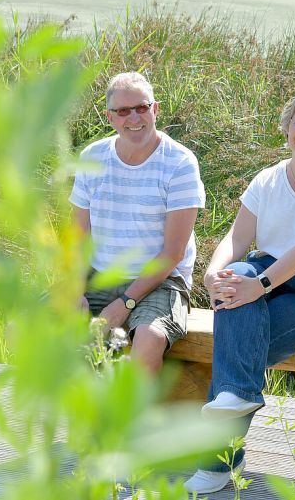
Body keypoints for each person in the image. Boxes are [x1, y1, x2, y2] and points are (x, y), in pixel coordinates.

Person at [182, 89, 295, 494]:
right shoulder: (268, 179)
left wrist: (258, 286)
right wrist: (215, 274)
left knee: (239, 348)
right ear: (287, 127)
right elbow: (237, 235)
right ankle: (236, 400)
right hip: (264, 276)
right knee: (234, 283)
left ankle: (217, 461)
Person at [70, 71, 206, 373]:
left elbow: (172, 254)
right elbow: (78, 237)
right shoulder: (92, 157)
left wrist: (124, 305)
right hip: (100, 273)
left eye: (141, 108)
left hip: (161, 281)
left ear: (155, 109)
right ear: (110, 117)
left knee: (150, 338)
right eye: (123, 110)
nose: (134, 117)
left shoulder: (180, 163)